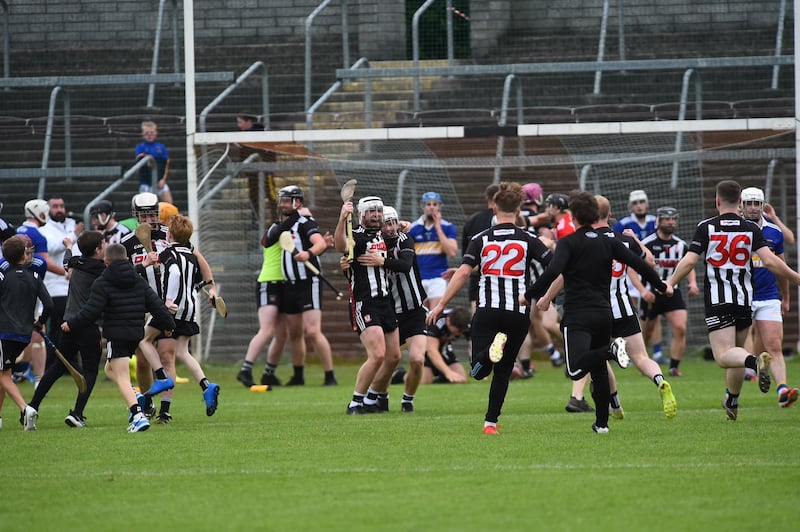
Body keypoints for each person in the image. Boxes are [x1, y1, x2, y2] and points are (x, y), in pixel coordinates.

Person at [526, 190, 670, 434]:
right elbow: (640, 264)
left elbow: (553, 272)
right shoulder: (610, 240)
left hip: (577, 314)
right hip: (604, 313)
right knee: (599, 370)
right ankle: (602, 423)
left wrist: (530, 294)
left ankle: (611, 351)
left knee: (575, 368)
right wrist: (661, 285)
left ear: (574, 217)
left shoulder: (569, 242)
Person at [666, 180, 800, 421]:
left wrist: (670, 283)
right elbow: (771, 262)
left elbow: (689, 261)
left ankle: (755, 361)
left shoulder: (706, 226)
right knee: (735, 352)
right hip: (744, 300)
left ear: (717, 201)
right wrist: (796, 278)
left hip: (719, 300)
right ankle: (732, 400)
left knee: (723, 356)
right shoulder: (751, 228)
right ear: (740, 202)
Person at [428, 182, 553, 435]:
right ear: (519, 210)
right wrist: (537, 294)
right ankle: (490, 423)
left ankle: (488, 354)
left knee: (478, 369)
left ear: (494, 207)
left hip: (487, 308)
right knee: (504, 370)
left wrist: (441, 304)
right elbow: (554, 267)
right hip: (517, 311)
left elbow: (463, 272)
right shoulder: (528, 238)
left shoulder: (481, 239)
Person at [62, 243, 175, 432]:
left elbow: (91, 311)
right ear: (127, 259)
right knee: (109, 368)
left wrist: (71, 324)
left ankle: (138, 416)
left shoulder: (103, 282)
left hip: (117, 334)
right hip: (135, 334)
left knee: (121, 376)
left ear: (106, 261)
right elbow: (156, 305)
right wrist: (169, 326)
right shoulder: (138, 280)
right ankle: (136, 397)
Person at [28, 231, 107, 428]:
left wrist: (69, 247)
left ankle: (32, 407)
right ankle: (77, 413)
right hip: (86, 325)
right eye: (103, 244)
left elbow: (66, 262)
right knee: (90, 370)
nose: (105, 247)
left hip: (68, 324)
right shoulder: (101, 269)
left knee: (57, 367)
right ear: (97, 250)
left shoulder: (76, 262)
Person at [261, 185, 337, 386]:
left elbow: (320, 243)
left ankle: (330, 376)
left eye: (287, 200)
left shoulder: (305, 222)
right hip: (289, 285)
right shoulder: (282, 225)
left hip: (308, 282)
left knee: (313, 331)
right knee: (294, 332)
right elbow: (267, 241)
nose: (283, 204)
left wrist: (308, 254)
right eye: (282, 200)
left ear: (297, 202)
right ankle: (298, 375)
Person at [335, 195, 402, 414]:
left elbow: (400, 233)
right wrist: (341, 219)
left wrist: (407, 226)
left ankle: (373, 398)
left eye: (379, 211)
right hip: (365, 302)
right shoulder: (358, 236)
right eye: (371, 211)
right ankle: (355, 402)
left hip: (386, 301)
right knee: (378, 354)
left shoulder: (384, 234)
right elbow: (341, 245)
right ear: (362, 215)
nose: (376, 215)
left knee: (394, 357)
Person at [357, 206, 428, 411]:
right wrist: (346, 262)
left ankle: (407, 400)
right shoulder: (371, 245)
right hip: (391, 312)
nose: (391, 228)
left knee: (416, 359)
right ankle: (379, 396)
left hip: (414, 311)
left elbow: (405, 265)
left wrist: (382, 261)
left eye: (394, 223)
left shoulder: (404, 240)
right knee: (389, 360)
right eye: (387, 223)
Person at [740, 186, 798, 408]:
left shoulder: (774, 232)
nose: (753, 208)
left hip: (767, 296)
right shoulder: (735, 230)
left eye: (757, 204)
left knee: (774, 344)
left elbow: (780, 266)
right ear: (741, 206)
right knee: (741, 343)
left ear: (763, 205)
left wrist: (786, 297)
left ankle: (782, 390)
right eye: (749, 204)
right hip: (741, 295)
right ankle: (748, 374)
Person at [160, 214, 220, 418]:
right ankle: (206, 385)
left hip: (173, 308)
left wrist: (167, 301)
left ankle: (160, 406)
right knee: (182, 352)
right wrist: (211, 288)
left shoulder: (169, 252)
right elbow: (202, 273)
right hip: (190, 308)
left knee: (147, 343)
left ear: (169, 233)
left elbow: (175, 275)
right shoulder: (190, 253)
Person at [0, 235, 53, 431]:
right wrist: (39, 322)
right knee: (4, 373)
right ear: (23, 255)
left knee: (3, 375)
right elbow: (49, 305)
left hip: (4, 334)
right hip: (24, 336)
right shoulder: (35, 276)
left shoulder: (3, 275)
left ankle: (25, 409)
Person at [638, 207, 699, 377]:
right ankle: (642, 361)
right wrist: (642, 290)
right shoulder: (647, 244)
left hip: (673, 292)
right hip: (651, 293)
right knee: (647, 332)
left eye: (673, 219)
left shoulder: (680, 245)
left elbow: (688, 265)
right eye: (666, 219)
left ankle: (674, 367)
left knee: (680, 328)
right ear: (658, 221)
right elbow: (632, 269)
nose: (671, 222)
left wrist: (692, 283)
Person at [38, 197, 81, 367]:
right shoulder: (44, 230)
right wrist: (74, 236)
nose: (59, 209)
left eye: (62, 206)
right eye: (55, 206)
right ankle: (56, 362)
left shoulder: (72, 224)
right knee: (58, 326)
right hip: (56, 286)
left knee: (72, 325)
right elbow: (53, 247)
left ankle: (69, 361)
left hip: (73, 285)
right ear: (48, 209)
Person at [408, 191, 458, 309]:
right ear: (422, 206)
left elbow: (452, 252)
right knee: (421, 316)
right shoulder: (413, 228)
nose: (431, 207)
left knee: (434, 314)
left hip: (438, 277)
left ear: (440, 207)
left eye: (435, 204)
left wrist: (438, 228)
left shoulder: (447, 227)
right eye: (428, 204)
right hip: (418, 277)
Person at [422, 307, 470, 384]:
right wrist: (448, 372)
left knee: (461, 379)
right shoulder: (435, 321)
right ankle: (400, 375)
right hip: (425, 349)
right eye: (458, 331)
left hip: (444, 348)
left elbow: (472, 344)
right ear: (448, 321)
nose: (460, 334)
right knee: (424, 381)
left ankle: (442, 377)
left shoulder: (464, 322)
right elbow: (431, 351)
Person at [135, 120, 174, 204]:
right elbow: (138, 159)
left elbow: (166, 164)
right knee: (145, 206)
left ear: (156, 133)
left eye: (151, 132)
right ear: (142, 134)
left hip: (159, 181)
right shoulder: (140, 147)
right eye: (147, 133)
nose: (149, 135)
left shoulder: (161, 147)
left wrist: (163, 179)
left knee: (169, 203)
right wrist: (146, 159)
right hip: (146, 182)